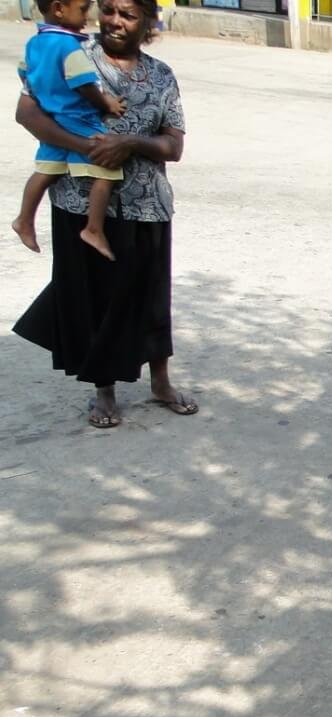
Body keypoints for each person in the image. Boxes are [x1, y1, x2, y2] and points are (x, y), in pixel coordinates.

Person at [12, 0, 197, 429]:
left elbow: (174, 145)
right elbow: (27, 112)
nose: (115, 20)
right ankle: (104, 390)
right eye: (109, 9)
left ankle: (161, 382)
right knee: (95, 296)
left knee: (151, 296)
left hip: (147, 204)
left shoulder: (161, 75)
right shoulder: (70, 51)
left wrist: (130, 143)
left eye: (128, 14)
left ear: (147, 22)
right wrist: (88, 149)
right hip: (79, 201)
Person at [12, 0, 127, 261]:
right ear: (59, 9)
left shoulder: (34, 42)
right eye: (83, 9)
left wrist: (45, 93)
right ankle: (94, 228)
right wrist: (106, 102)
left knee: (45, 171)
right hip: (77, 116)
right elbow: (84, 84)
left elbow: (24, 73)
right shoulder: (69, 46)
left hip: (51, 116)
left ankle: (24, 219)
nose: (88, 15)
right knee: (107, 169)